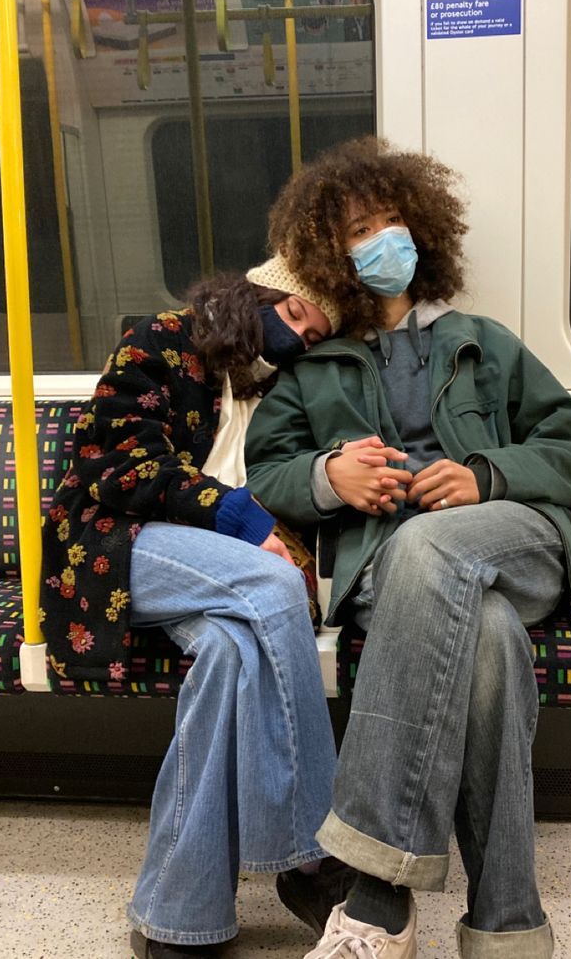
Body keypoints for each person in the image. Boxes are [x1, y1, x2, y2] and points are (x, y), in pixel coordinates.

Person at [245, 137, 571, 959]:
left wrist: (486, 474)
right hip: (393, 566)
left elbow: (567, 447)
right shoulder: (311, 373)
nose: (382, 240)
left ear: (422, 231)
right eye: (358, 231)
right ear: (330, 260)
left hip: (515, 541)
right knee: (486, 642)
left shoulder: (483, 339)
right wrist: (332, 475)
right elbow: (267, 472)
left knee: (434, 543)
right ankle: (508, 927)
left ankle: (372, 893)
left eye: (391, 220)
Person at [39, 258, 355, 959]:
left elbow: (280, 484)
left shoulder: (276, 389)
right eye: (294, 314)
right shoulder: (159, 341)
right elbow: (120, 464)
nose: (296, 337)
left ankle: (178, 911)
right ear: (254, 297)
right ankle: (312, 857)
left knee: (228, 652)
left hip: (206, 571)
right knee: (273, 590)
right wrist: (239, 518)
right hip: (115, 546)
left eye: (313, 334)